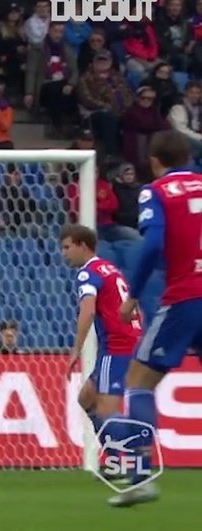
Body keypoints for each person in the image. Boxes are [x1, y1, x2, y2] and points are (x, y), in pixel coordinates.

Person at [110, 130, 202, 507]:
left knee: (138, 380)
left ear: (154, 161)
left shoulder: (157, 192)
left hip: (185, 296)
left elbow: (152, 244)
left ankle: (141, 475)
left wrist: (133, 294)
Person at [59, 225, 141, 454]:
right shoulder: (110, 268)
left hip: (117, 346)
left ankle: (133, 456)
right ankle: (117, 459)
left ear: (82, 246)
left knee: (106, 409)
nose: (64, 253)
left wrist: (77, 349)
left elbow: (88, 311)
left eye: (67, 247)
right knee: (86, 398)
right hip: (130, 341)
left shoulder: (87, 272)